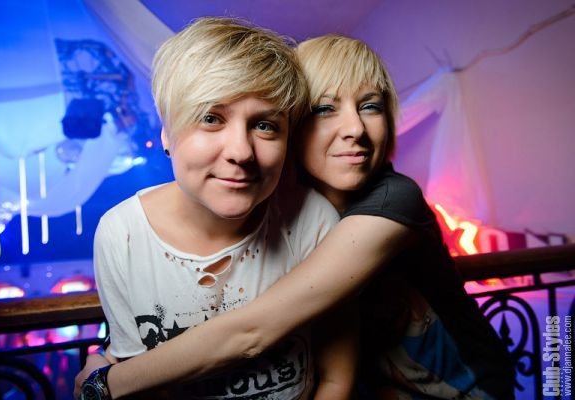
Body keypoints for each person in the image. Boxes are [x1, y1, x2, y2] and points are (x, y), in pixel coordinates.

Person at [76, 34, 515, 399]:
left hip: (465, 389)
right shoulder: (276, 199)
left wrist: (107, 382)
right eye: (325, 108)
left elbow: (252, 331)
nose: (355, 129)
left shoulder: (392, 199)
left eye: (370, 106)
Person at [76, 19, 359, 400]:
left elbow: (335, 379)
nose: (241, 152)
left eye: (265, 125)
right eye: (211, 118)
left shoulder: (312, 219)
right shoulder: (123, 234)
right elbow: (136, 383)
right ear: (167, 133)